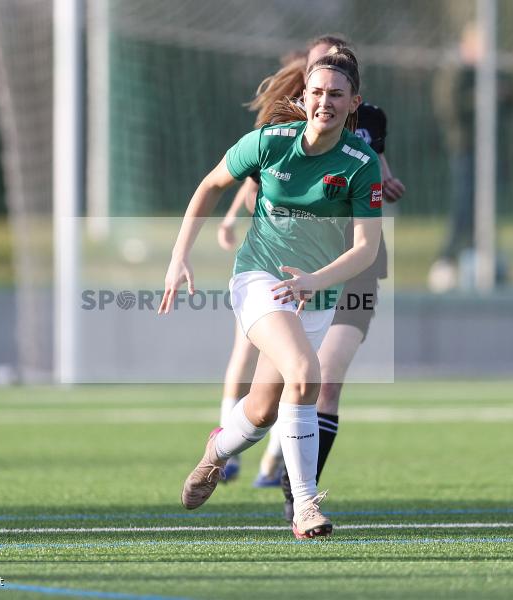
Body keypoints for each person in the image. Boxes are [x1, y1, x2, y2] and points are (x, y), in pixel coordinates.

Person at [160, 47, 383, 539]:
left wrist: (315, 281)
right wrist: (179, 255)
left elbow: (367, 249)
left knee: (262, 410)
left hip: (316, 294)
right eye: (317, 93)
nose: (325, 102)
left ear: (353, 104)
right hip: (259, 278)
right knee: (307, 372)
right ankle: (305, 505)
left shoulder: (361, 163)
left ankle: (216, 451)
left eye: (336, 95)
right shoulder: (269, 141)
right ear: (303, 97)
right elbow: (210, 185)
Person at [216, 36, 406, 493]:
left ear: (352, 90)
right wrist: (228, 218)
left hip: (354, 266)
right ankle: (227, 447)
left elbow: (376, 173)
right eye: (316, 76)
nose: (325, 94)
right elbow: (247, 175)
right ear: (306, 81)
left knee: (321, 381)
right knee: (263, 366)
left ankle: (294, 488)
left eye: (337, 82)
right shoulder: (285, 122)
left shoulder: (370, 125)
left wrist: (387, 179)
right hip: (285, 263)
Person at [428, 22, 513, 292]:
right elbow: (449, 107)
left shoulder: (493, 72)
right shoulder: (456, 73)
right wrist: (481, 98)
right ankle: (446, 260)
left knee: (487, 209)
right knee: (464, 207)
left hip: (493, 151)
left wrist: (503, 94)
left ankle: (481, 259)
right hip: (466, 150)